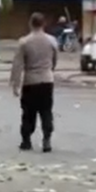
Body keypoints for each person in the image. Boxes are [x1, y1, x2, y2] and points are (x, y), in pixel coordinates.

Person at [10, 13, 59, 153]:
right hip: (47, 81)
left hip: (30, 82)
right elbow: (55, 60)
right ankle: (47, 139)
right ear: (44, 24)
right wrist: (49, 70)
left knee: (28, 113)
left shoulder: (24, 42)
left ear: (30, 24)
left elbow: (18, 65)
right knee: (46, 111)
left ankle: (26, 141)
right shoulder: (51, 41)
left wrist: (15, 84)